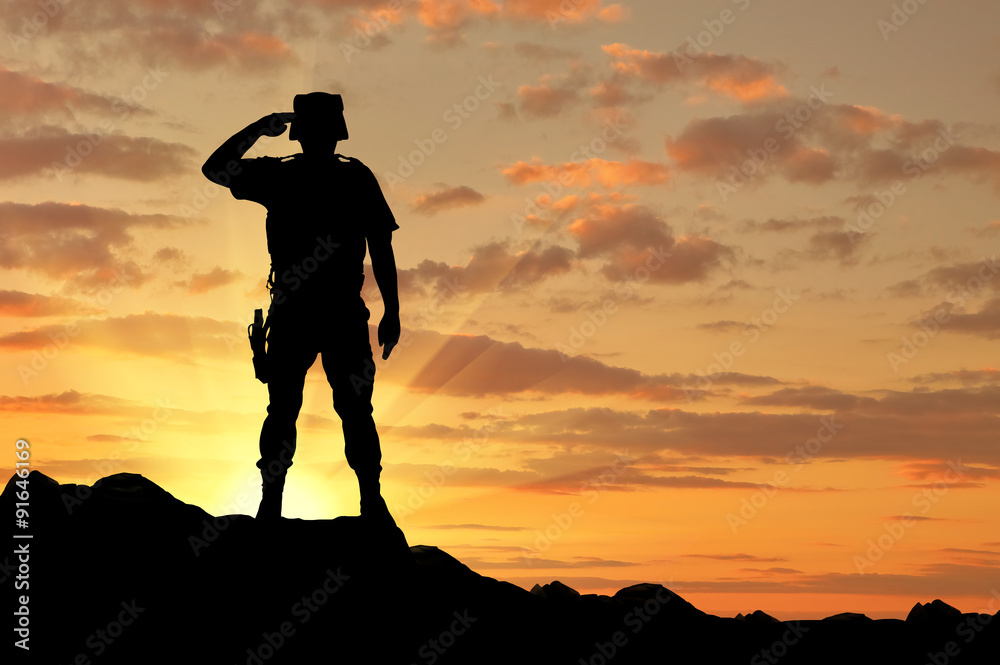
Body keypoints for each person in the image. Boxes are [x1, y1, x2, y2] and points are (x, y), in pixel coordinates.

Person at [201, 92, 400, 520]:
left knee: (310, 408)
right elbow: (381, 248)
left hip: (319, 311)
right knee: (321, 408)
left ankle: (355, 501)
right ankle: (340, 501)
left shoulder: (290, 176)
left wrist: (258, 128)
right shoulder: (347, 177)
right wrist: (392, 311)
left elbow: (381, 247)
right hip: (325, 311)